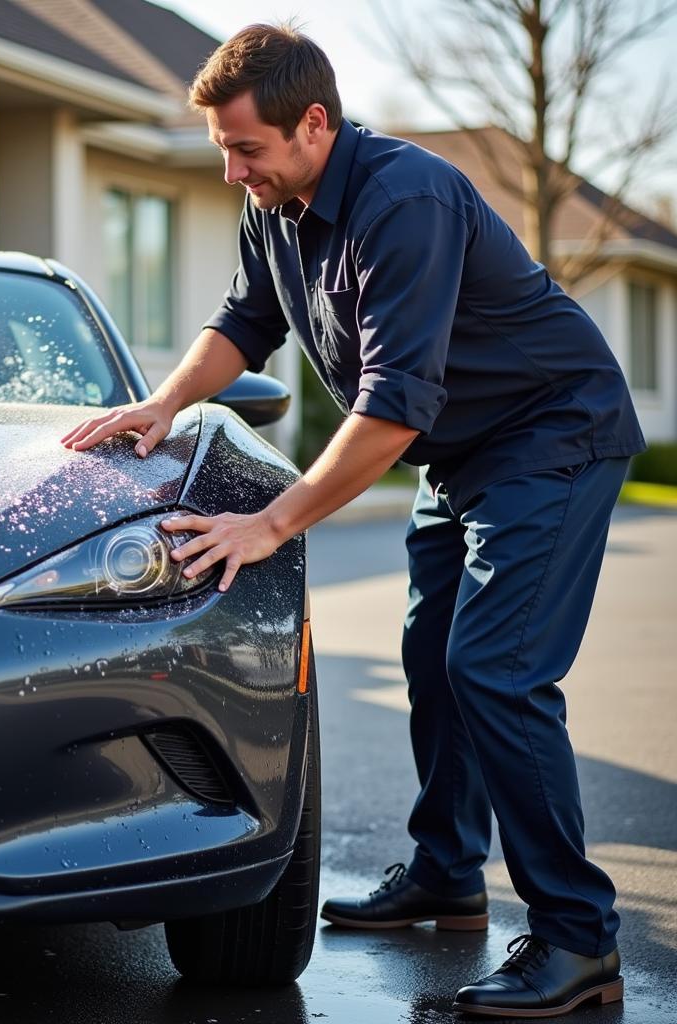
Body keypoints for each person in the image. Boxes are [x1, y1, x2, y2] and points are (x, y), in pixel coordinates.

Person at [61, 23, 644, 1018]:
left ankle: (577, 938)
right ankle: (445, 872)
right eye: (222, 152)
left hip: (550, 435)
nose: (234, 171)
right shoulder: (276, 204)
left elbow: (391, 406)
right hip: (458, 456)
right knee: (433, 662)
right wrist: (163, 403)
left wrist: (274, 522)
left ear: (314, 125)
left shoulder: (402, 200)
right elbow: (246, 323)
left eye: (247, 149)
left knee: (496, 671)